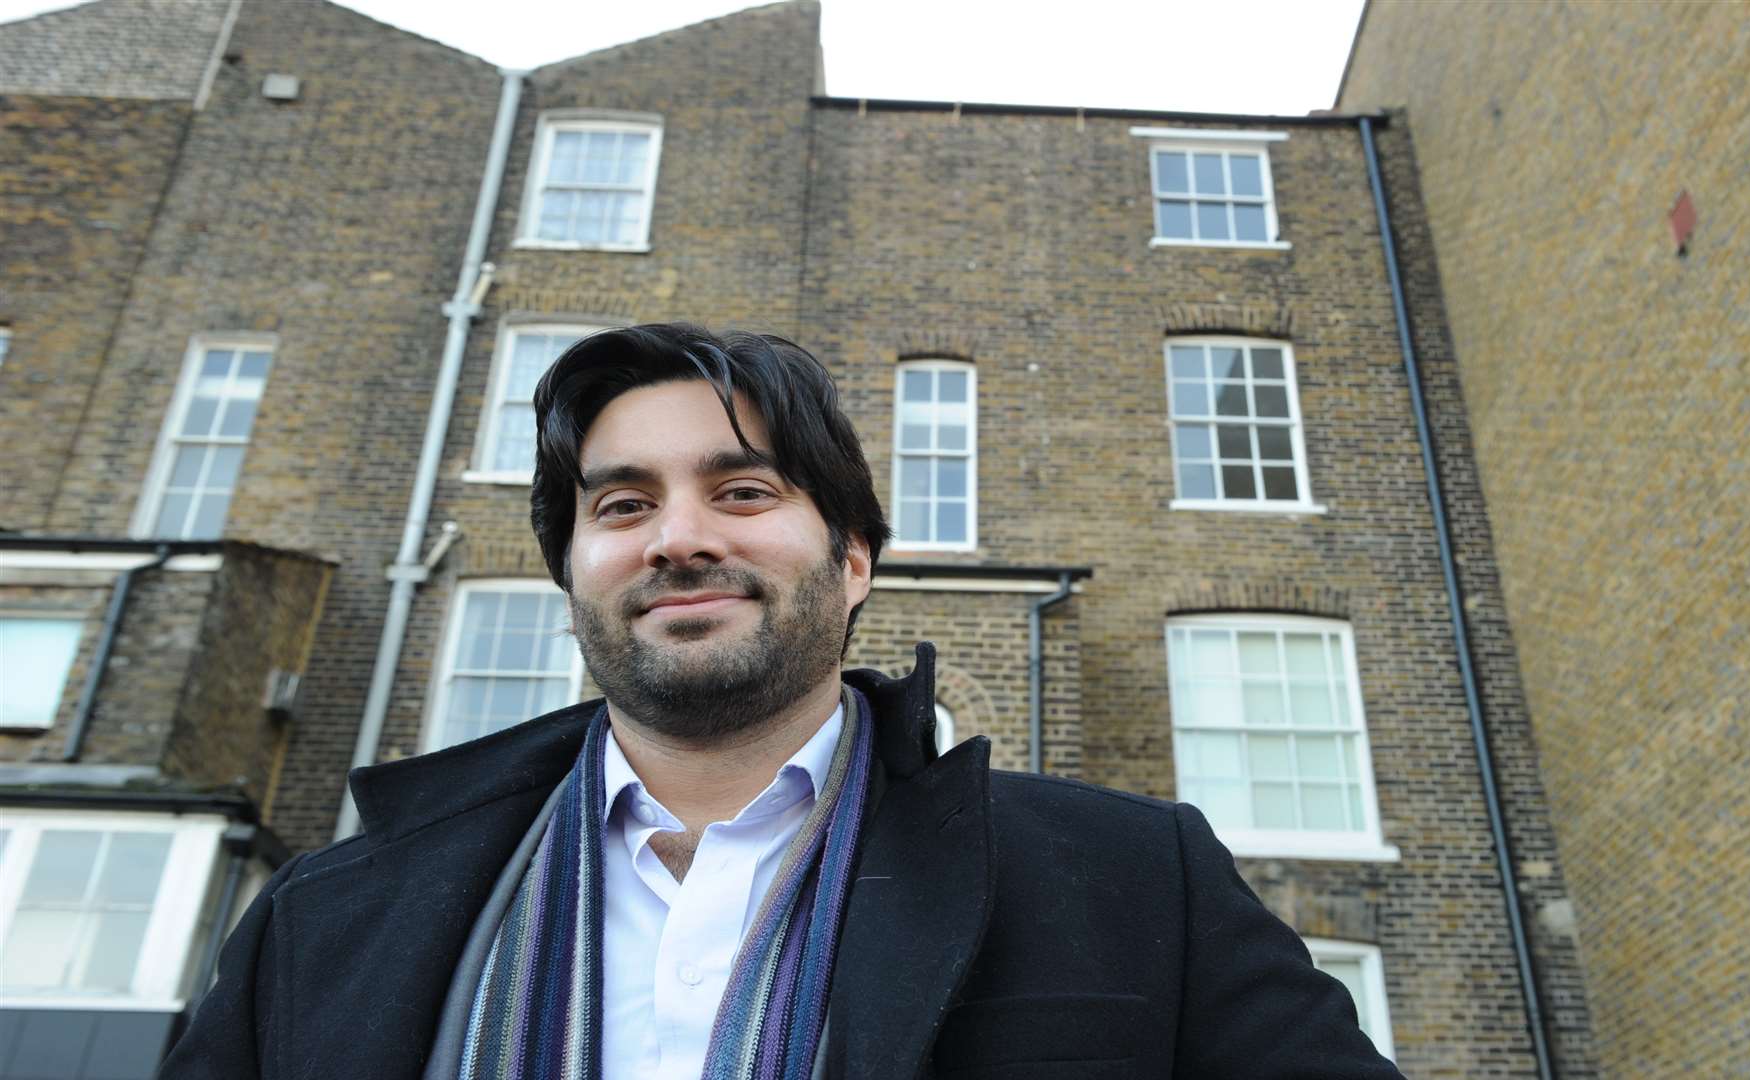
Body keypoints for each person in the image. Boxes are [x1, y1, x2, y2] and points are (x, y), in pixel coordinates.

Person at [161, 324, 1402, 1079]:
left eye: (743, 493)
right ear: (576, 570)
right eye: (623, 505)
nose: (677, 538)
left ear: (853, 558)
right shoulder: (329, 916)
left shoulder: (1134, 880)